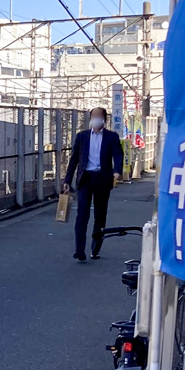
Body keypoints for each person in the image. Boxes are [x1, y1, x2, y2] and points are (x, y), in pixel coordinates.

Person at [63, 107, 124, 262]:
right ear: (90, 118)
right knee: (82, 214)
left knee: (100, 215)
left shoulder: (111, 137)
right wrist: (67, 180)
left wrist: (117, 170)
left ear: (104, 119)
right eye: (93, 116)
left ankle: (95, 249)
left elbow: (118, 154)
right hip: (86, 178)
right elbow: (74, 159)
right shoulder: (82, 136)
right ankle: (79, 250)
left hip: (103, 178)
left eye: (99, 116)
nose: (96, 118)